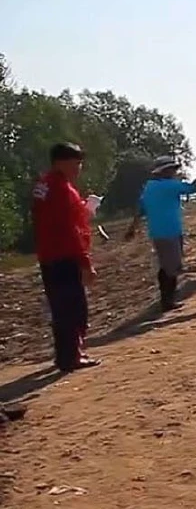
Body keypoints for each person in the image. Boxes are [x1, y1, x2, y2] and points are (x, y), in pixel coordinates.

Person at [32, 142, 100, 372]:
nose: (79, 168)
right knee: (74, 309)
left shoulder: (44, 184)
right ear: (61, 162)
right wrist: (85, 263)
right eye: (76, 162)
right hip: (64, 255)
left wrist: (82, 210)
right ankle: (71, 357)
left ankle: (66, 356)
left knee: (61, 309)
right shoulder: (61, 188)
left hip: (48, 255)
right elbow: (68, 229)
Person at [124, 156, 196, 311]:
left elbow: (141, 210)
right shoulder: (169, 185)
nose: (174, 172)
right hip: (170, 231)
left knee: (166, 266)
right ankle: (167, 301)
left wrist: (132, 228)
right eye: (172, 169)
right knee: (172, 267)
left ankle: (167, 299)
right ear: (164, 171)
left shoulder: (149, 187)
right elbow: (193, 188)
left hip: (158, 232)